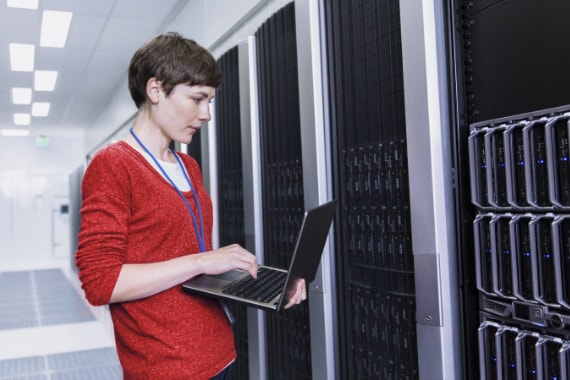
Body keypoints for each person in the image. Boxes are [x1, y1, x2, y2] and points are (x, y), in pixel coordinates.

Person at [75, 32, 307, 380]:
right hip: (166, 366)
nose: (207, 114)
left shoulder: (188, 165)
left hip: (219, 352)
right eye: (197, 99)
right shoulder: (114, 164)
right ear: (156, 90)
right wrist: (203, 259)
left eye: (210, 101)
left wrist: (271, 285)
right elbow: (100, 283)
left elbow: (188, 261)